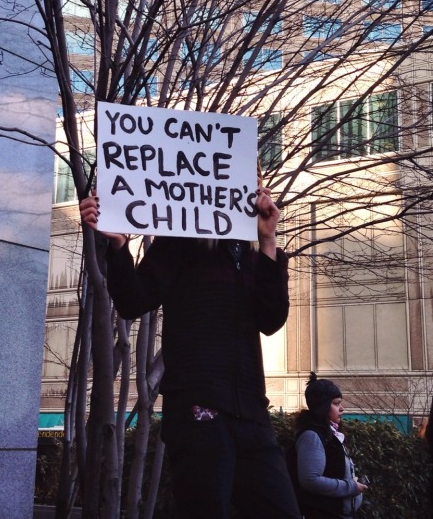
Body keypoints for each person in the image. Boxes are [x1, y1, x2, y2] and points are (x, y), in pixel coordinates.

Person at [80, 182, 302, 519]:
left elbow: (271, 319)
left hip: (252, 414)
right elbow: (132, 300)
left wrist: (269, 240)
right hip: (199, 414)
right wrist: (119, 246)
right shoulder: (179, 244)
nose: (255, 189)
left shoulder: (252, 256)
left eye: (256, 181)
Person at [293, 372, 367, 519]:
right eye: (336, 403)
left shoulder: (331, 434)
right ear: (323, 406)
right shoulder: (312, 436)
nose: (342, 409)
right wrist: (351, 487)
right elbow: (310, 480)